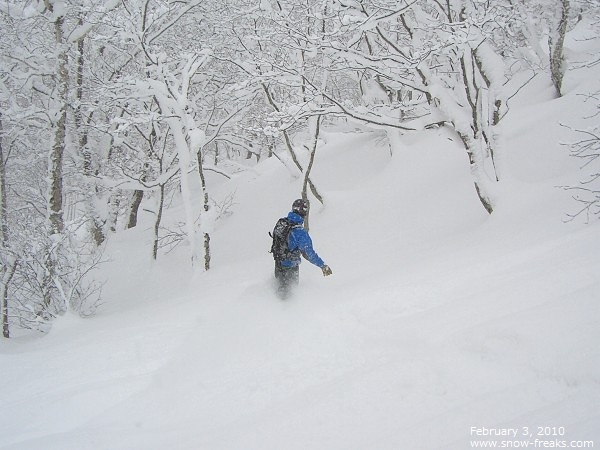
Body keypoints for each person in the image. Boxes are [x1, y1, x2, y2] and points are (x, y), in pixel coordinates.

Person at [272, 199, 332, 299]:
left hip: (278, 264)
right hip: (290, 268)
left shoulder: (283, 223)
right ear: (304, 212)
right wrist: (322, 265)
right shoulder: (300, 232)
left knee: (279, 292)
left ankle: (270, 309)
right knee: (289, 297)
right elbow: (308, 254)